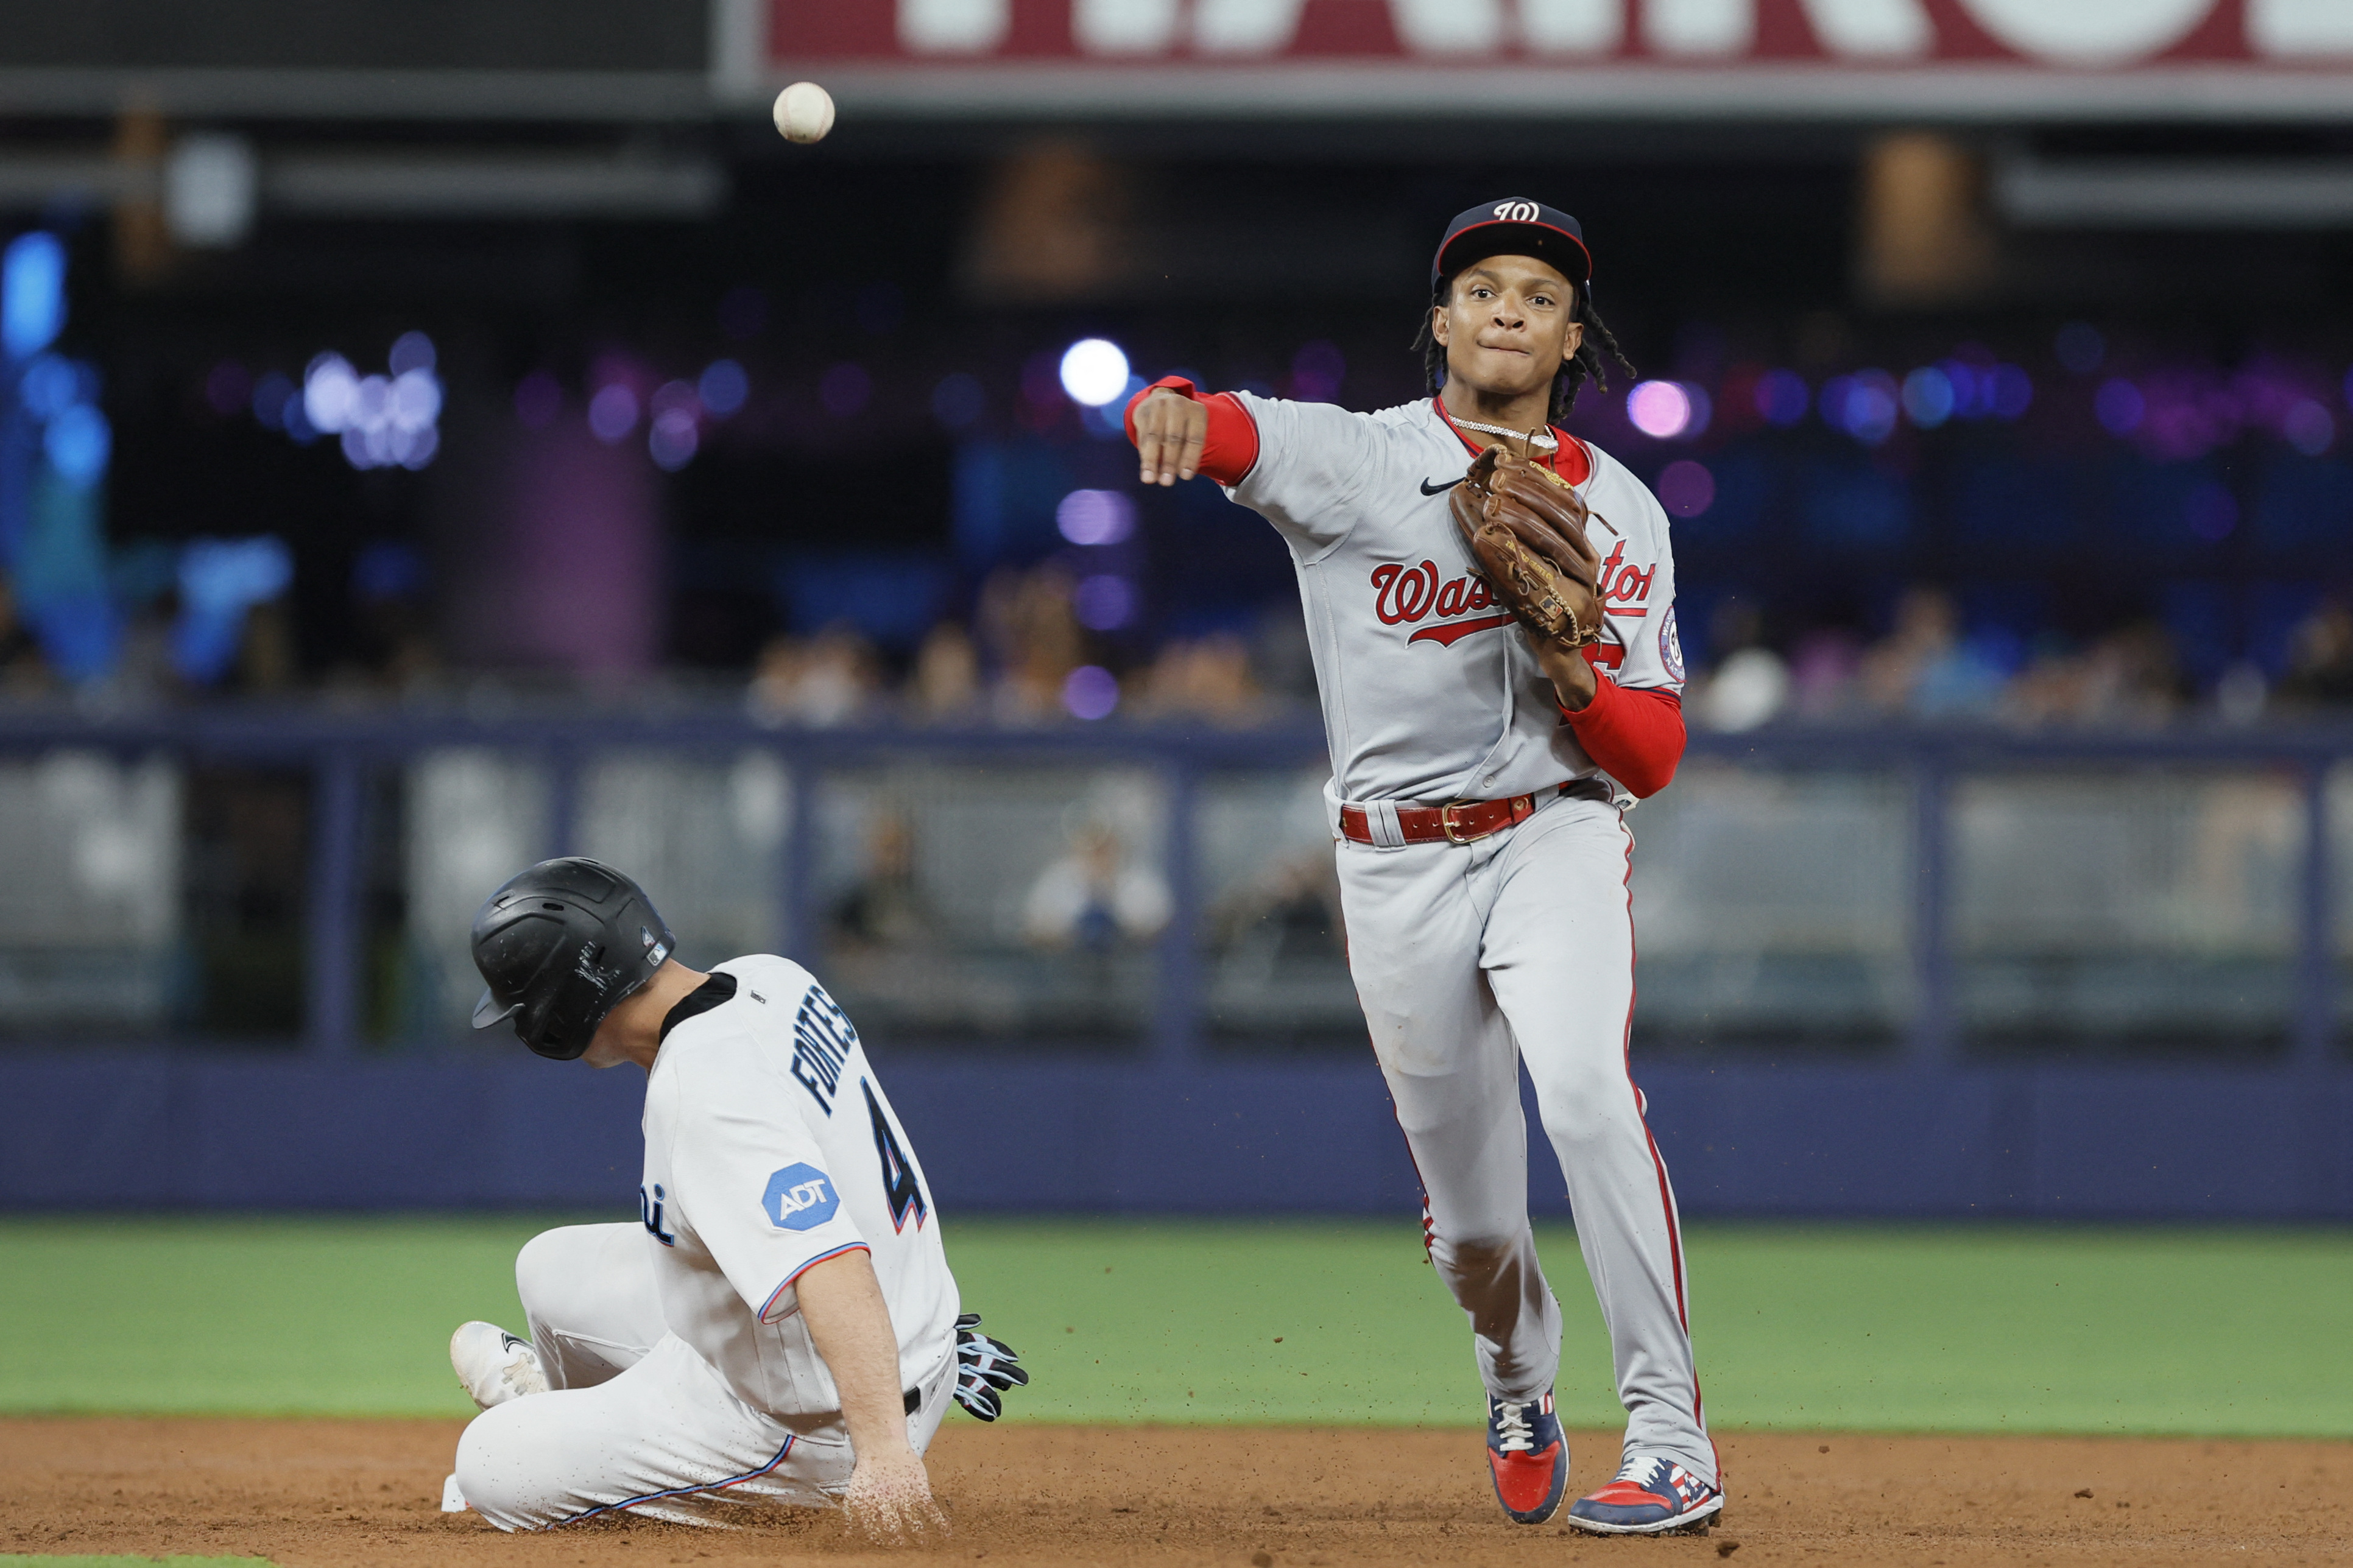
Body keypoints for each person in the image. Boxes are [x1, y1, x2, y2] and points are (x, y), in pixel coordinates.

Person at [1125, 199, 1719, 1535]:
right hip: (1391, 866)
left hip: (1553, 828)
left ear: (1573, 337)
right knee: (1473, 1239)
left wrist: (1571, 668)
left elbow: (1652, 753)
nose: (1508, 307)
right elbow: (1211, 418)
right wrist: (1162, 403)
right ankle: (1515, 1373)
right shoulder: (1352, 457)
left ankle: (1670, 1437)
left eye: (1539, 294)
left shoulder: (1620, 509)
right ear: (1440, 321)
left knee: (1582, 1094)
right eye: (1482, 288)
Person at [442, 857, 1026, 1537]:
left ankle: (591, 1461)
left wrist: (886, 1452)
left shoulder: (703, 1091)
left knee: (488, 1463)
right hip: (880, 1342)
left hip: (809, 1422)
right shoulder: (771, 979)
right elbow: (848, 1165)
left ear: (558, 1009)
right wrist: (919, 1329)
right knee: (547, 1266)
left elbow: (829, 1261)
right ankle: (590, 1432)